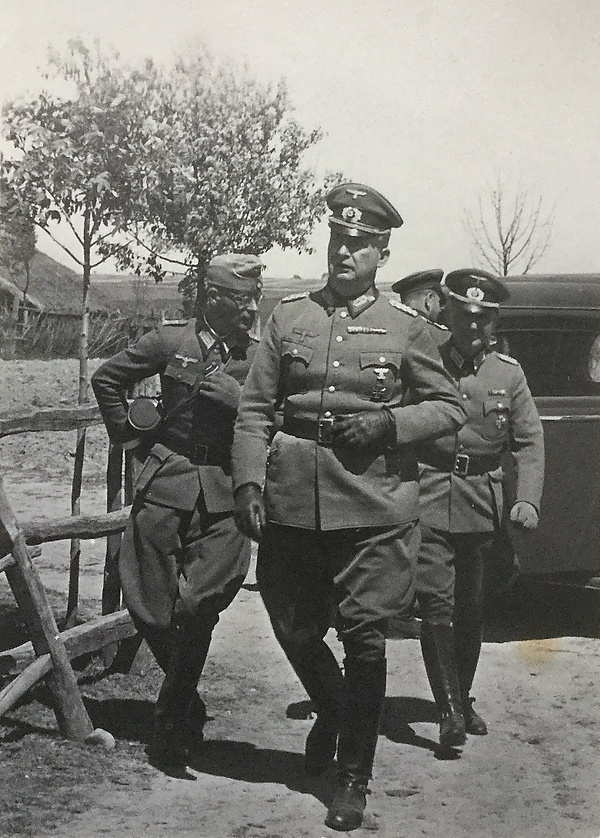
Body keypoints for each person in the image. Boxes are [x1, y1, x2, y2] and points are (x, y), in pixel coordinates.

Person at [231, 183, 466, 832]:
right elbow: (254, 409)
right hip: (292, 500)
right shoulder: (289, 317)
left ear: (381, 254)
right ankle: (334, 707)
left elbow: (449, 408)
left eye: (360, 244)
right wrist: (248, 482)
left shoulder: (409, 327)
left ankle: (353, 778)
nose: (345, 252)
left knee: (364, 638)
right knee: (291, 622)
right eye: (338, 239)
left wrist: (390, 426)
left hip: (374, 507)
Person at [91, 253, 264, 771]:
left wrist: (242, 401)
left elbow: (279, 418)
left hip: (227, 491)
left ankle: (170, 722)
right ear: (213, 297)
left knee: (200, 606)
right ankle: (188, 701)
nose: (251, 310)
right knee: (146, 600)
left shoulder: (260, 358)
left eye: (255, 299)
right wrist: (130, 438)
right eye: (241, 300)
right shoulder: (171, 341)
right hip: (168, 483)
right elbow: (107, 379)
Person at [414, 268, 544, 749]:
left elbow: (529, 441)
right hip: (428, 494)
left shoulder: (508, 374)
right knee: (436, 603)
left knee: (470, 608)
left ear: (493, 322)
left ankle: (461, 696)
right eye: (464, 315)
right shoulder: (423, 363)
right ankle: (450, 711)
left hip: (481, 503)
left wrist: (526, 497)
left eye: (483, 318)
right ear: (447, 313)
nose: (473, 326)